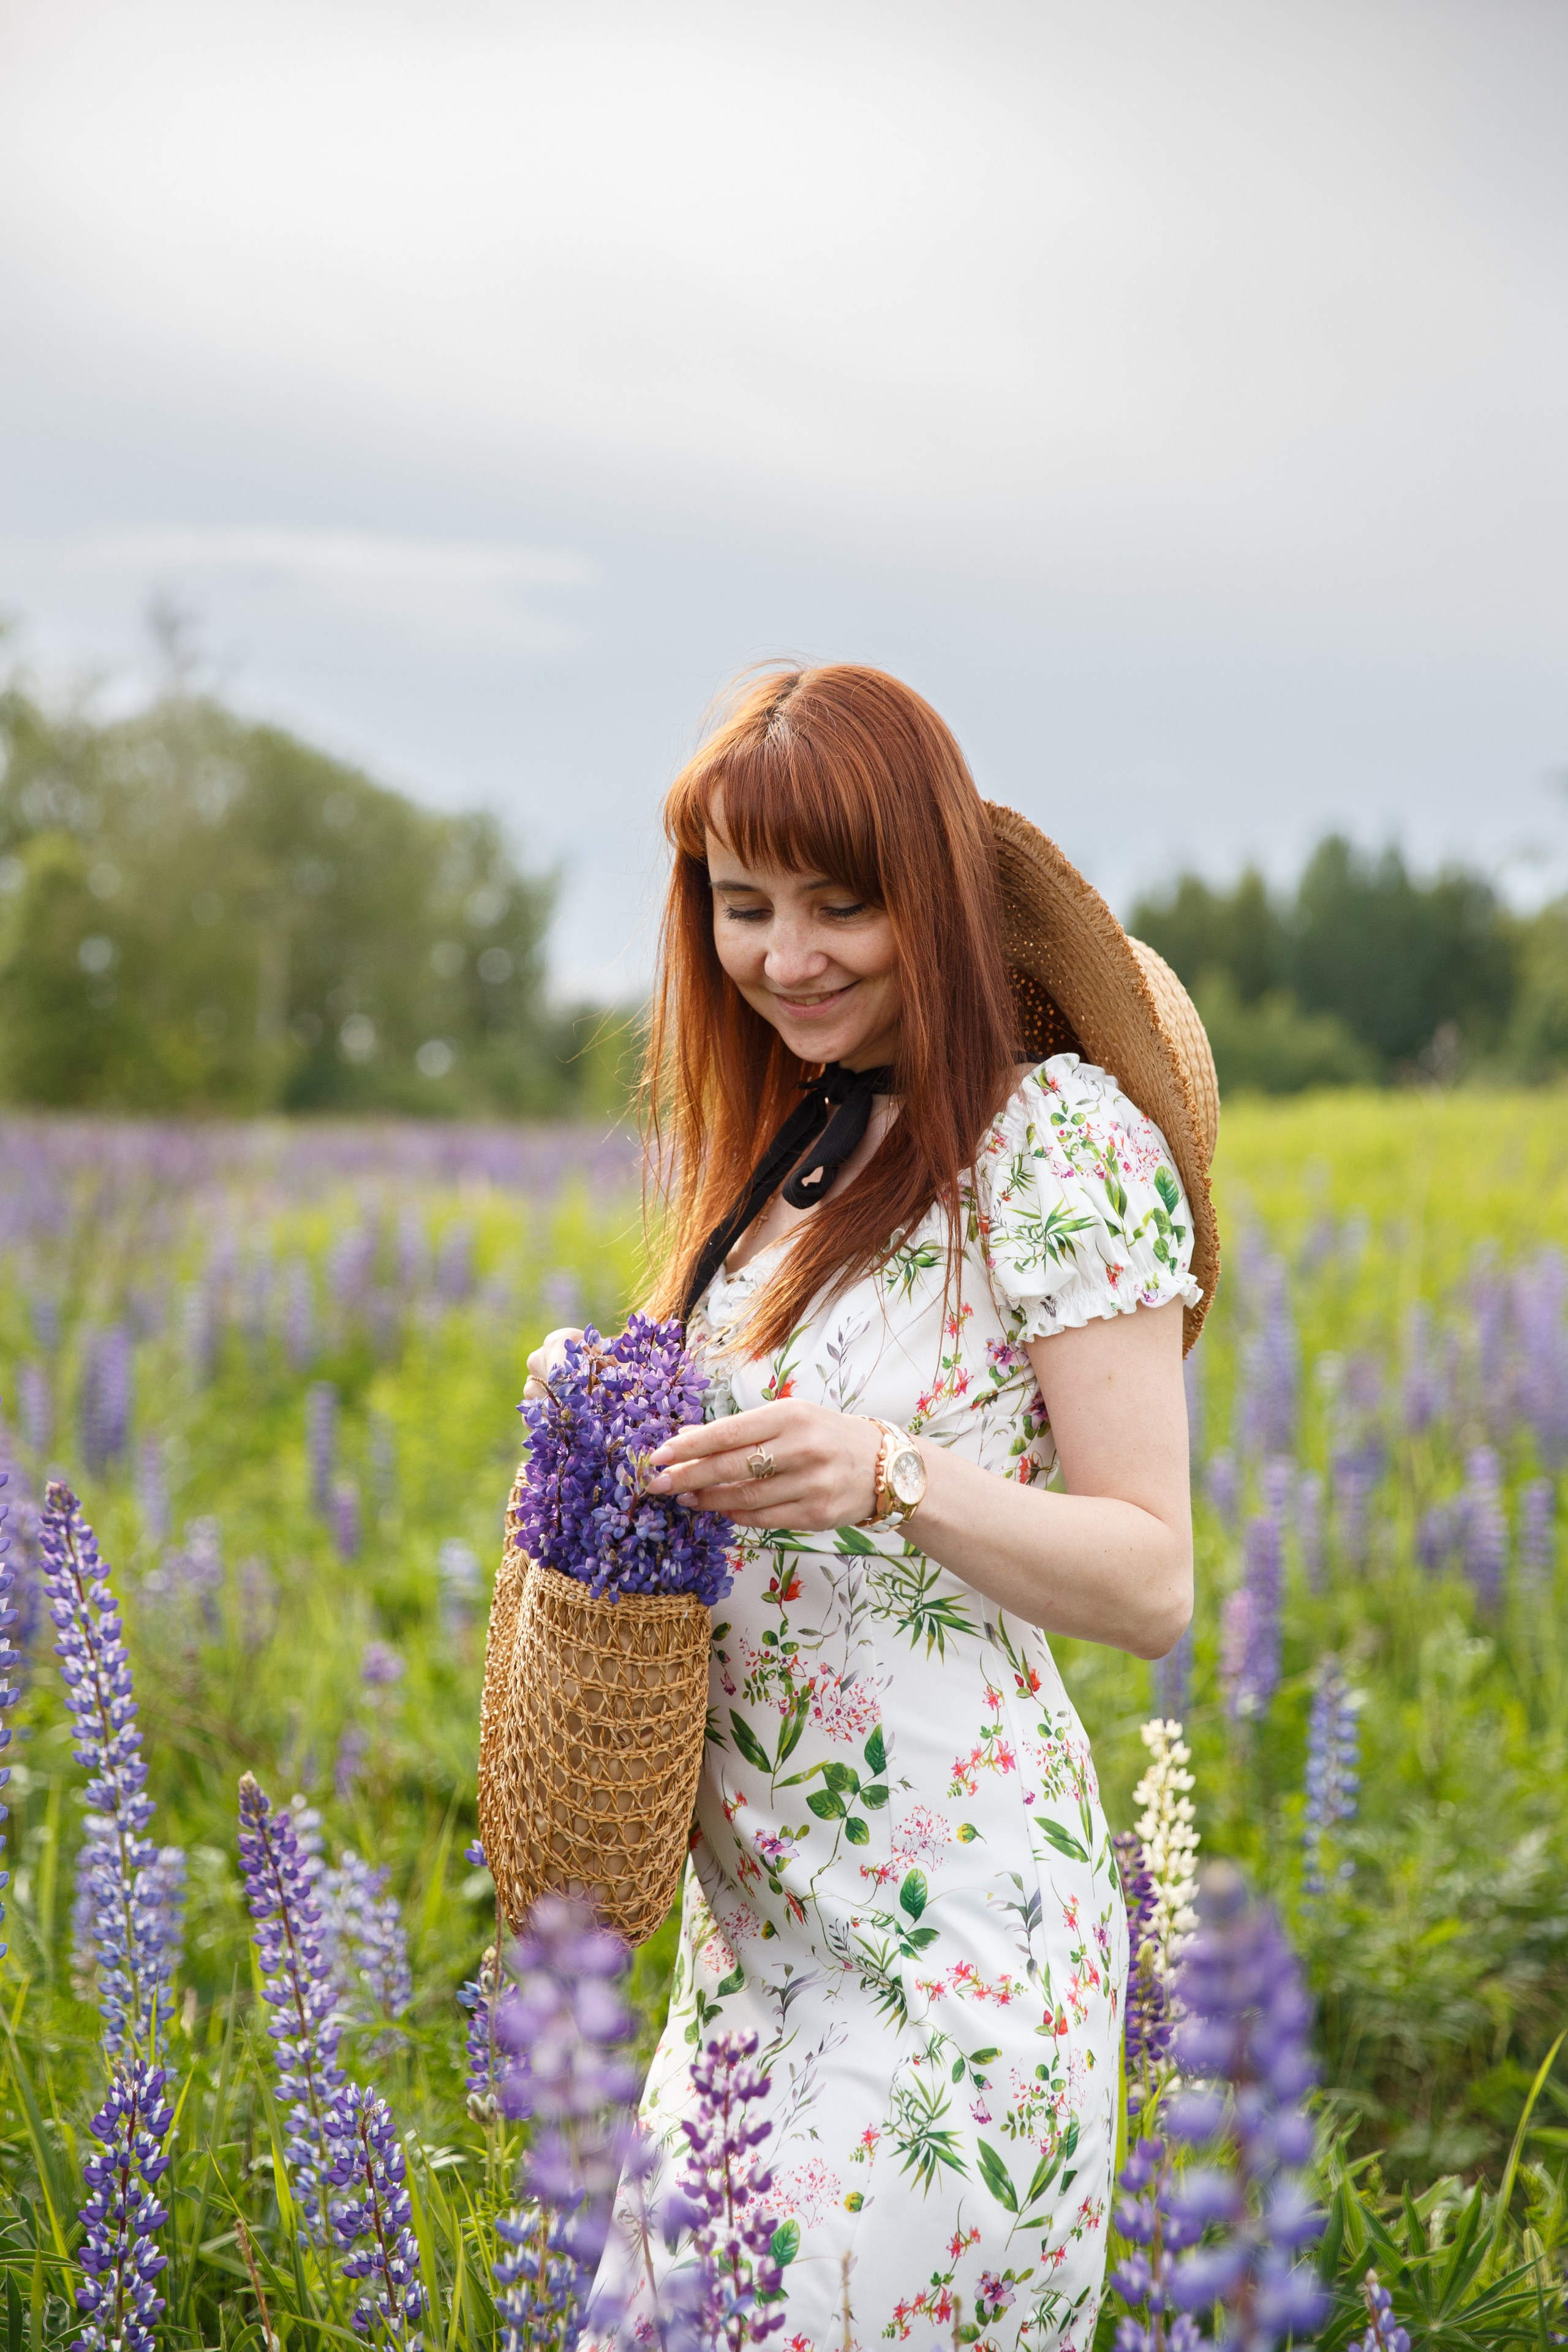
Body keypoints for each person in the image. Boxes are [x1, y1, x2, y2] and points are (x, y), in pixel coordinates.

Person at [530, 663, 1219, 2352]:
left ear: (937, 899)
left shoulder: (1049, 1145)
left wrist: (890, 1477)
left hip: (954, 1956)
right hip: (753, 1947)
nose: (789, 956)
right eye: (745, 907)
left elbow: (1153, 1581)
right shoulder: (785, 1159)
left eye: (846, 906)